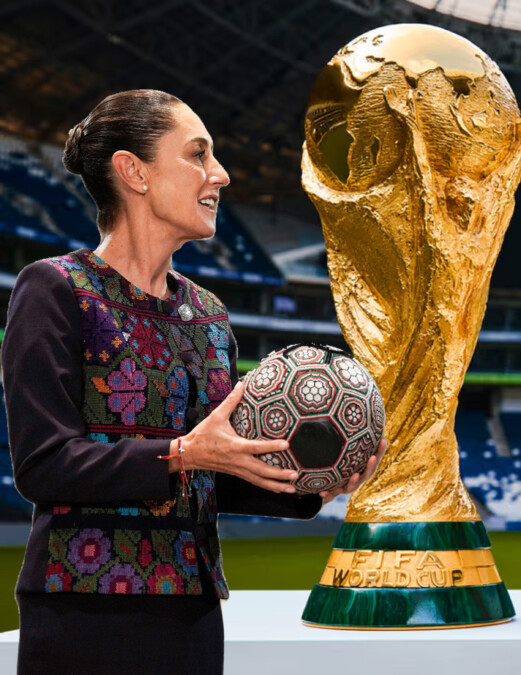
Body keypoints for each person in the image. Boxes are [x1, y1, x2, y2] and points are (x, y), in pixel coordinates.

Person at [0, 89, 380, 674]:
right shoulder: (56, 289)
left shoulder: (209, 314)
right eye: (198, 154)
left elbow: (213, 474)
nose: (220, 175)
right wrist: (182, 454)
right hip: (83, 611)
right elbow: (44, 464)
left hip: (193, 613)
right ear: (134, 172)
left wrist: (308, 485)